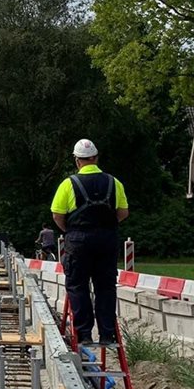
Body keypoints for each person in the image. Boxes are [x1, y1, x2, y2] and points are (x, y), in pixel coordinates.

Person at [51, 138, 129, 347]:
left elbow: (57, 215)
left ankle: (84, 334)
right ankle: (106, 335)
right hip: (106, 239)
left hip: (78, 240)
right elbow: (123, 212)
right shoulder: (114, 182)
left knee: (77, 286)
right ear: (96, 158)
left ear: (77, 161)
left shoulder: (68, 184)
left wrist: (71, 231)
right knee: (105, 286)